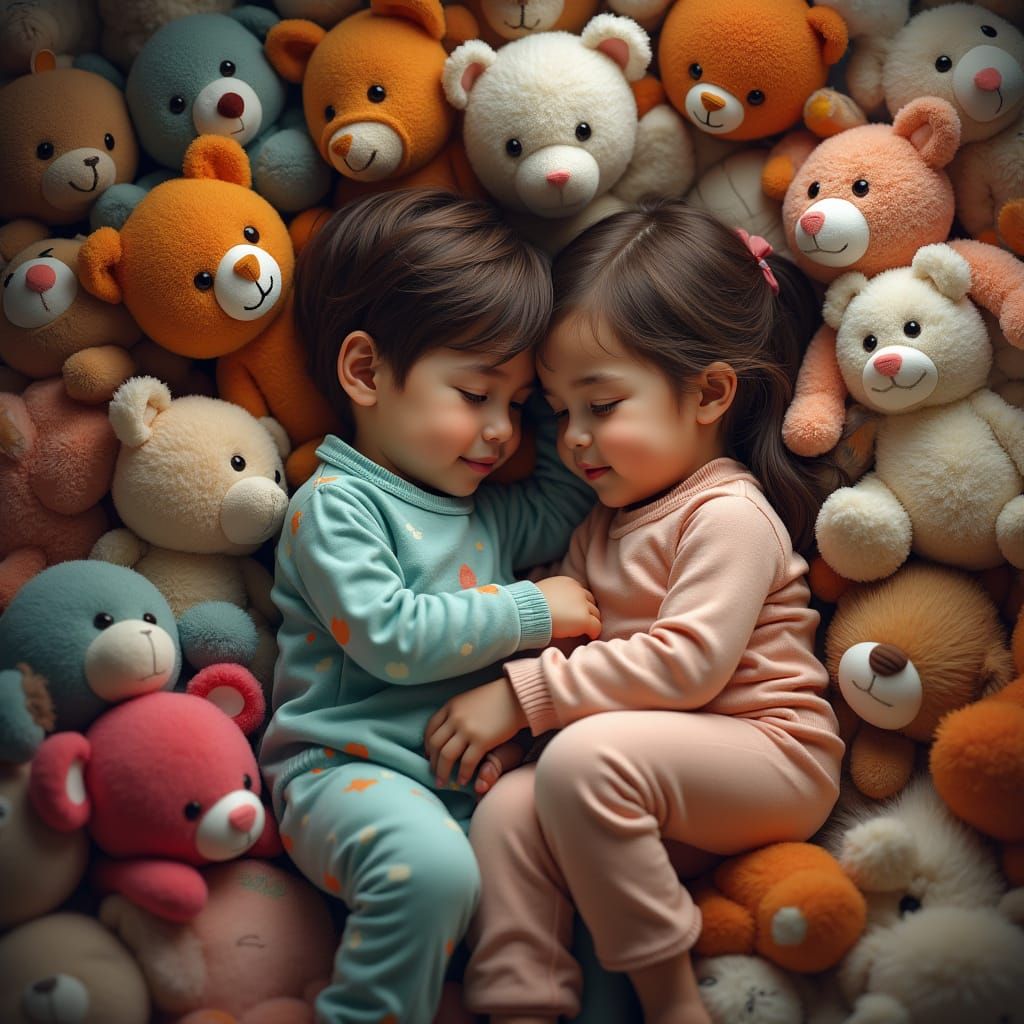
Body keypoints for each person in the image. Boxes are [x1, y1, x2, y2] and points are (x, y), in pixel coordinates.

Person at [424, 200, 846, 1024]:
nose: (573, 439)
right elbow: (578, 640)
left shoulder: (727, 513)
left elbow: (686, 665)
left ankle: (672, 1002)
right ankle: (521, 1001)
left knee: (582, 763)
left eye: (602, 405)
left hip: (770, 758)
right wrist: (517, 738)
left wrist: (520, 697)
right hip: (651, 781)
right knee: (511, 809)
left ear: (709, 394)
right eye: (557, 411)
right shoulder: (601, 525)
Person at [258, 189, 599, 1024]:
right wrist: (533, 610)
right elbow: (389, 638)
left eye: (518, 406)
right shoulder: (335, 507)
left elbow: (563, 500)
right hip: (344, 775)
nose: (500, 433)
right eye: (476, 394)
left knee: (582, 885)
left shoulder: (482, 512)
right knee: (436, 872)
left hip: (467, 790)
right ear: (366, 372)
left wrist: (556, 380)